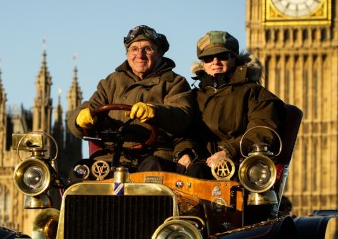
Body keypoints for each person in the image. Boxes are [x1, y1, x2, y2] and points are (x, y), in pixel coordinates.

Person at [67, 24, 193, 176]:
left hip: (154, 155)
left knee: (152, 171)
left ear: (159, 53)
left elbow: (182, 115)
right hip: (112, 155)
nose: (140, 55)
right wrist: (79, 118)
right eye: (134, 49)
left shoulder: (174, 82)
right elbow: (91, 107)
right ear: (127, 54)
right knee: (80, 171)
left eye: (147, 49)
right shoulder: (112, 82)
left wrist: (155, 111)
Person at [176, 30, 286, 179]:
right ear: (202, 63)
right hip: (201, 165)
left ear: (234, 58)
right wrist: (186, 152)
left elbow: (261, 132)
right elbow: (183, 131)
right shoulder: (193, 96)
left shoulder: (255, 93)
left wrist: (228, 152)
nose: (215, 62)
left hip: (241, 166)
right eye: (208, 58)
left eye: (222, 56)